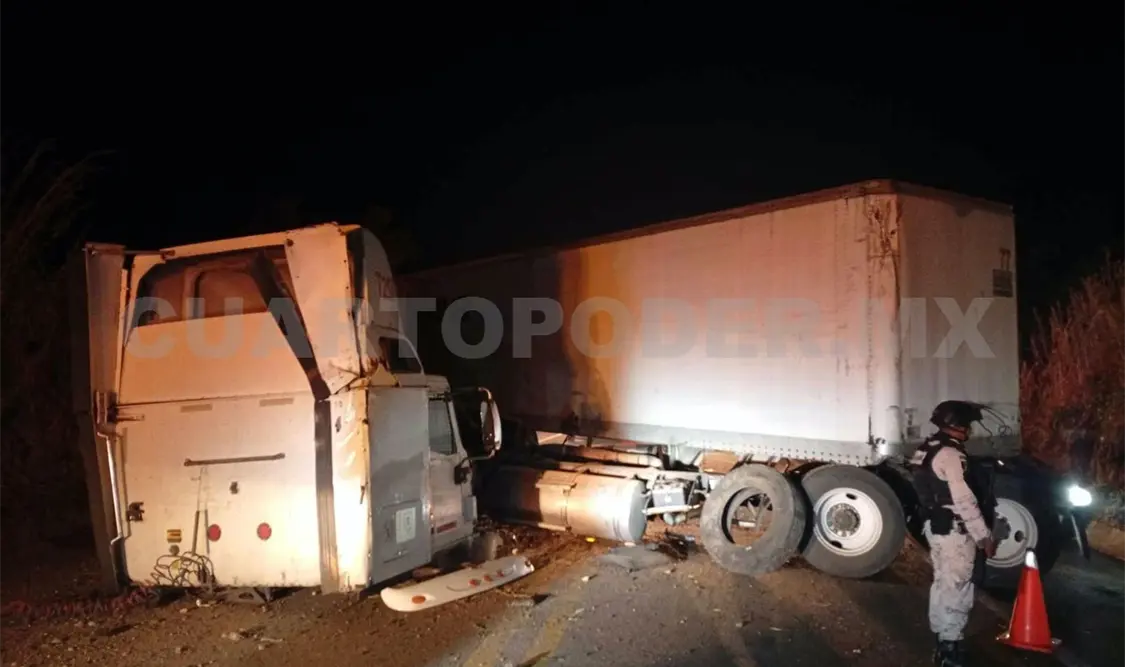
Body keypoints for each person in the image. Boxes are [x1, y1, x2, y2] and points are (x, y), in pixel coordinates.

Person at [910, 400, 997, 667]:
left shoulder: (925, 449)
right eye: (967, 425)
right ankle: (951, 649)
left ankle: (941, 639)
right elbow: (963, 499)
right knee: (957, 587)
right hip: (955, 531)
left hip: (936, 527)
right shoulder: (951, 455)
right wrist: (984, 535)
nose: (969, 430)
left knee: (943, 583)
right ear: (957, 425)